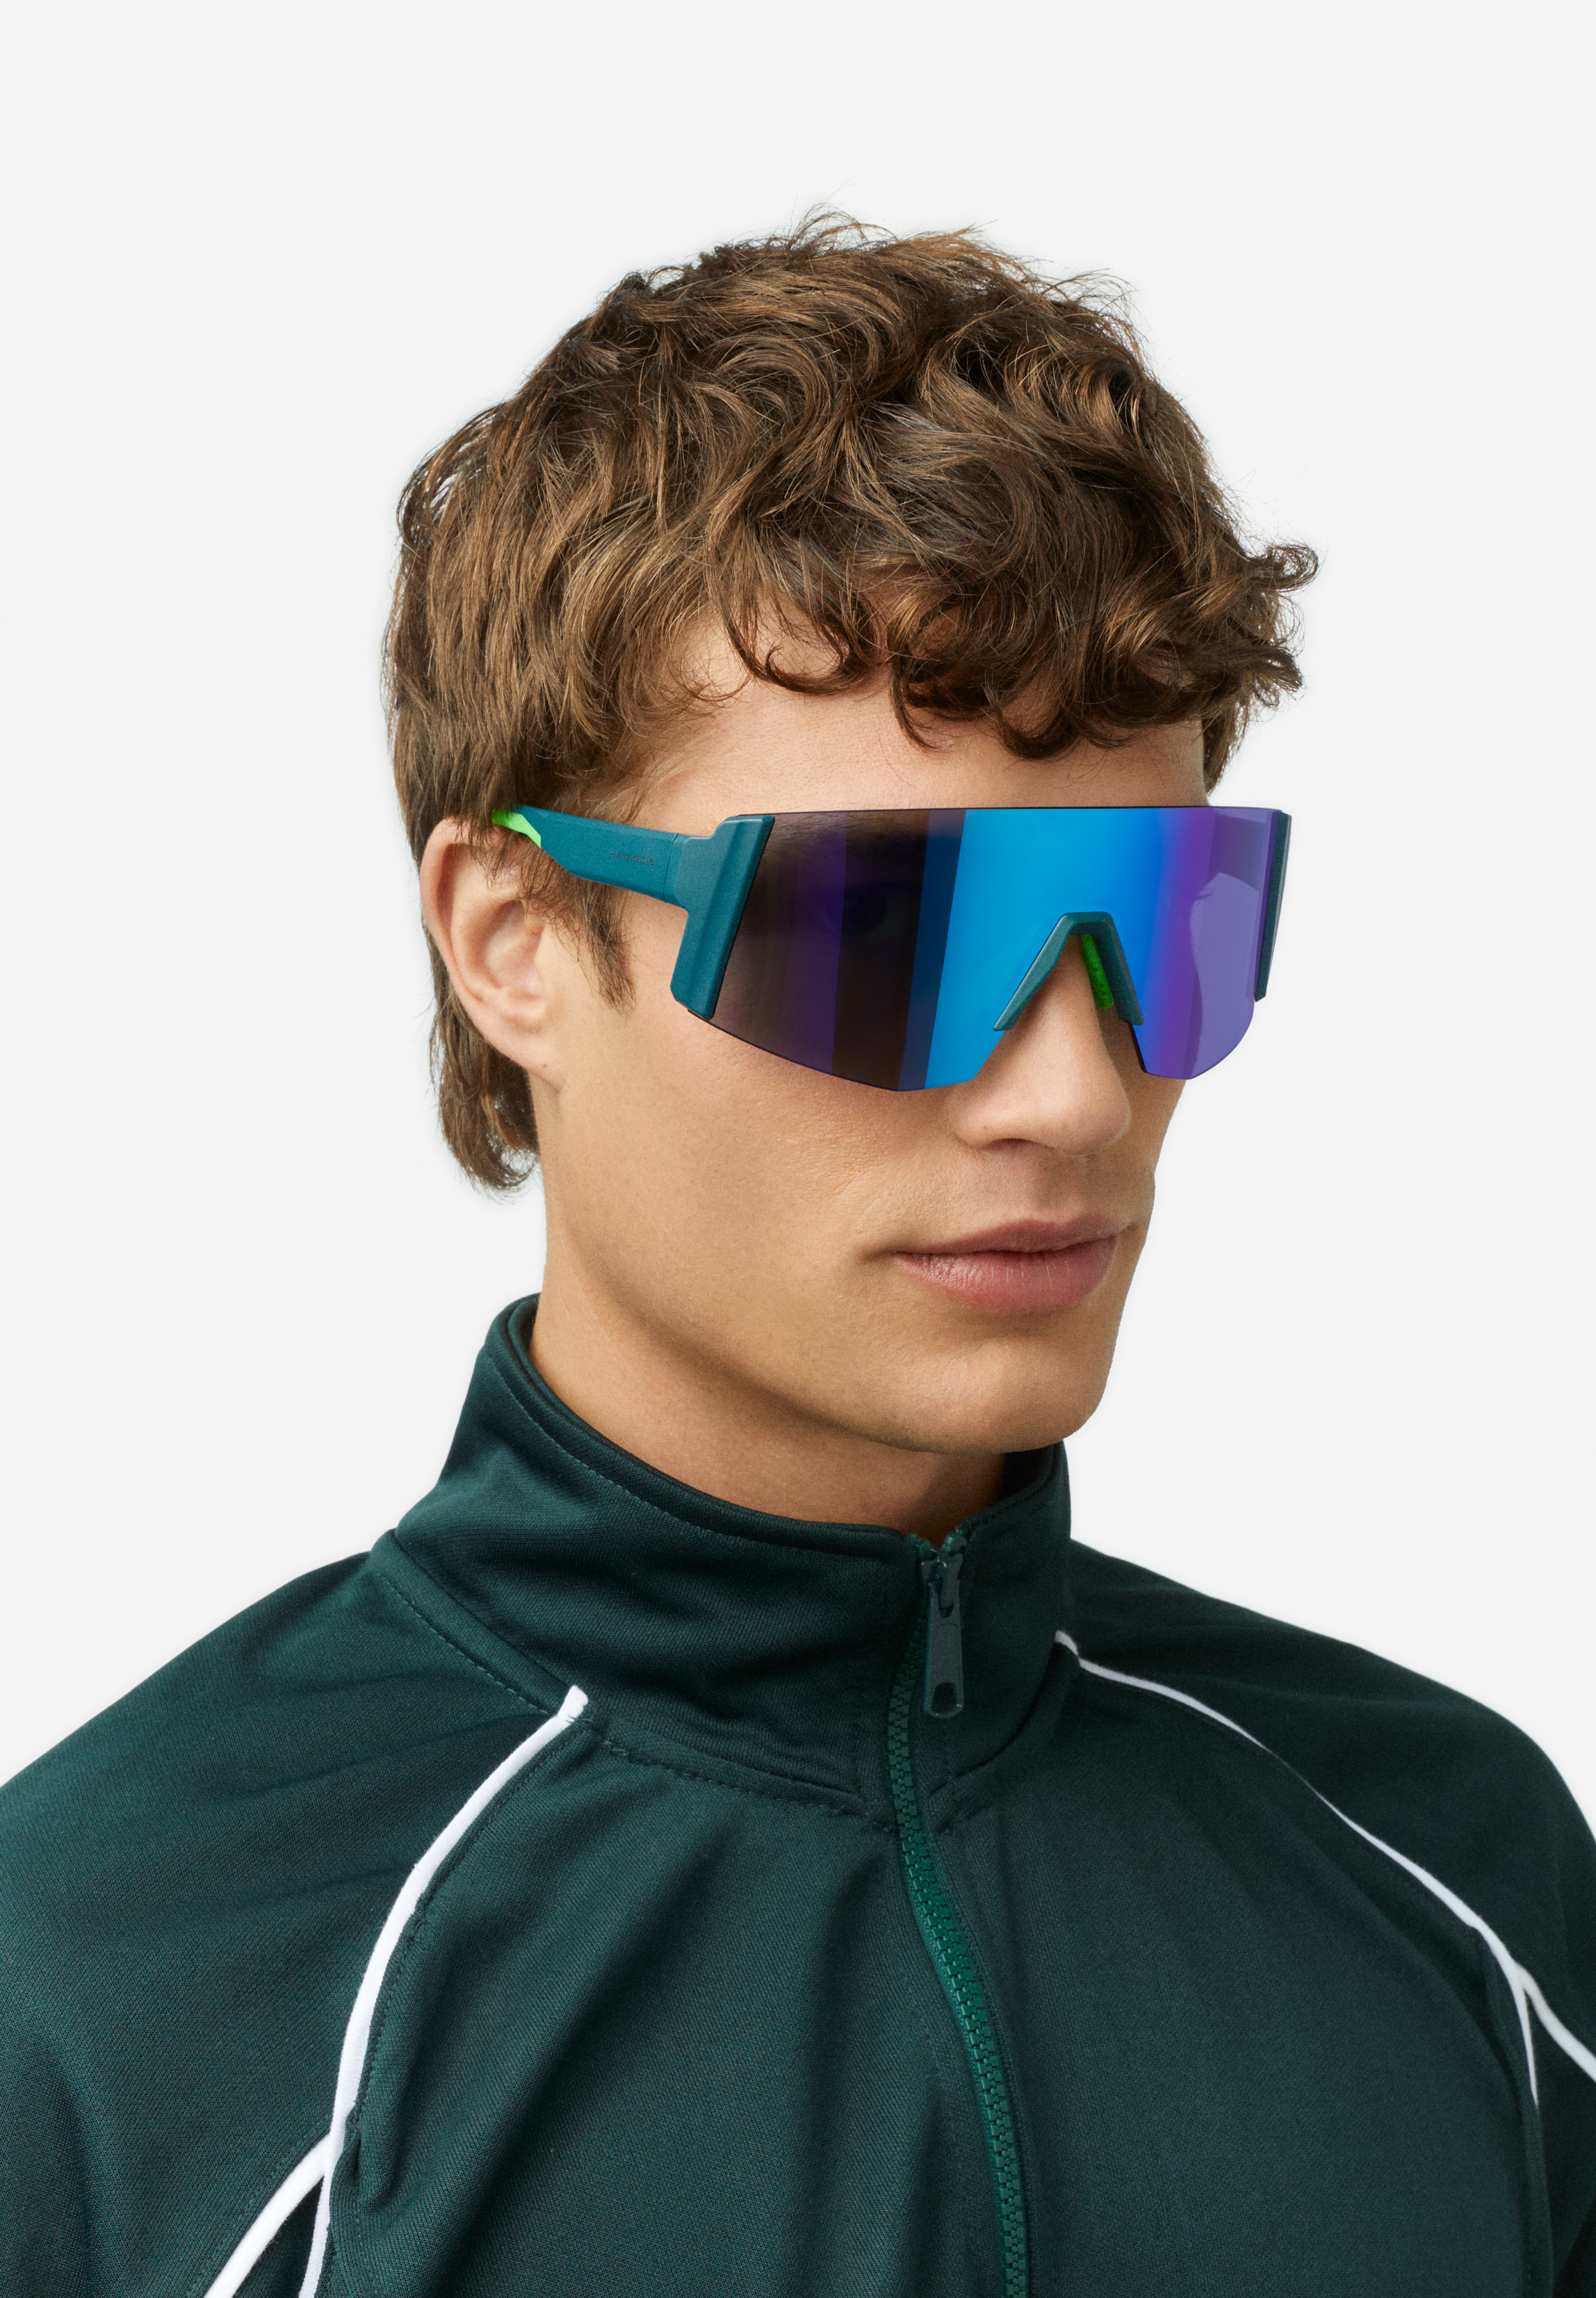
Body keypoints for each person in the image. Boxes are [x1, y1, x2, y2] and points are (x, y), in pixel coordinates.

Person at [1, 220, 1592, 2298]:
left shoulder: (1470, 1879)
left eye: (1164, 920)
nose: (1069, 1095)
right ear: (513, 940)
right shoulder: (102, 2002)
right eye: (881, 936)